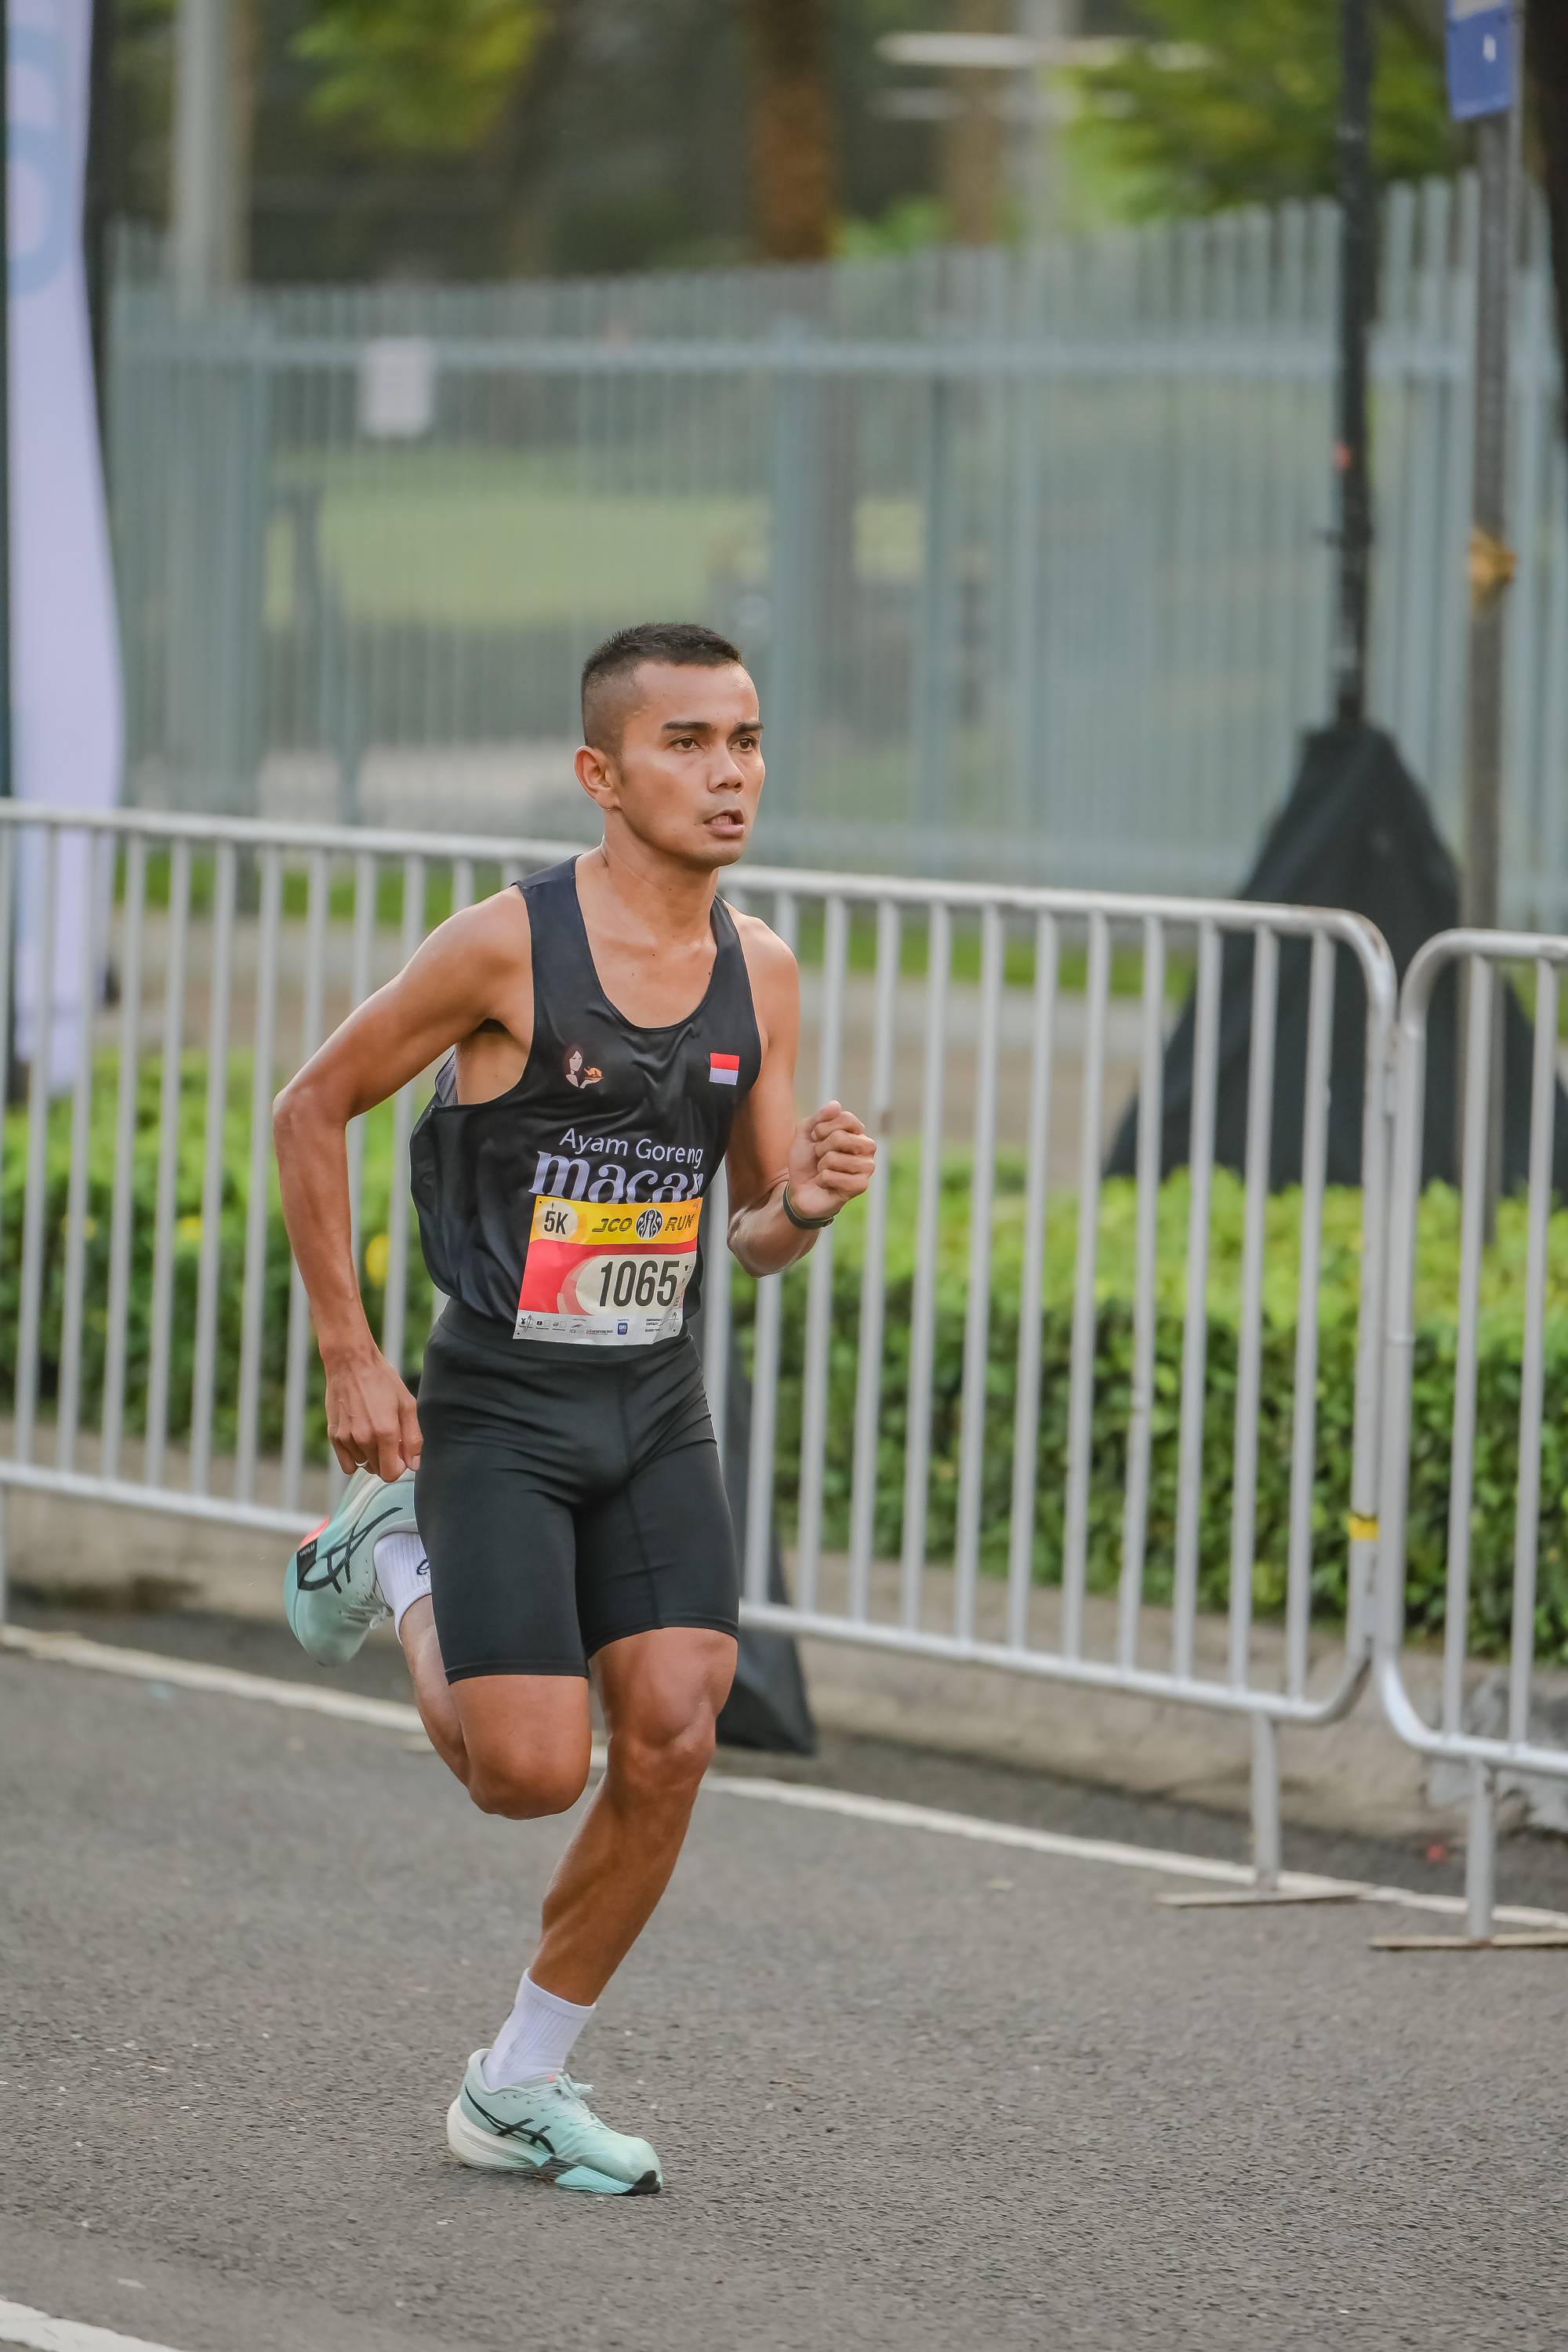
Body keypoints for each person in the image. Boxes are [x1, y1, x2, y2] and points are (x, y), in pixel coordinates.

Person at [274, 620, 875, 2196]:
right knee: (525, 1774)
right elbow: (309, 1107)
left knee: (674, 1731)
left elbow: (751, 1235)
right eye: (689, 742)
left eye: (746, 740)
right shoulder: (505, 949)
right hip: (503, 1408)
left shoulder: (760, 970)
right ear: (601, 774)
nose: (730, 773)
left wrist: (806, 1205)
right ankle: (394, 1551)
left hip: (655, 1405)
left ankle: (517, 2084)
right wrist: (352, 1352)